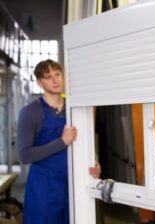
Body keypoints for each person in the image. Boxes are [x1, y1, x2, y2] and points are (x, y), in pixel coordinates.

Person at [17, 59, 101, 224]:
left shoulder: (74, 109)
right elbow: (25, 155)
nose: (55, 80)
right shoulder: (29, 113)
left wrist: (92, 163)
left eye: (57, 74)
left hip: (72, 189)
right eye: (48, 77)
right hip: (43, 192)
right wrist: (61, 142)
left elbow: (83, 143)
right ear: (40, 83)